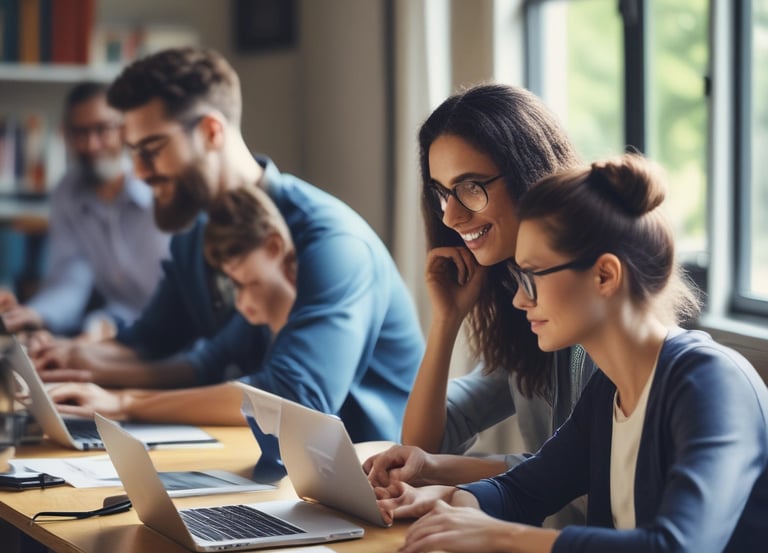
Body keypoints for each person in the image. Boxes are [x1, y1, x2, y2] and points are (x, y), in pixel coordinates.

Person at [35, 48, 424, 474]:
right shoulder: (197, 235)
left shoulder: (331, 241)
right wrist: (75, 359)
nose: (140, 173)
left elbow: (293, 399)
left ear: (211, 132)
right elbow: (156, 341)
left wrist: (126, 402)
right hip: (265, 462)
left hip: (371, 482)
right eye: (133, 153)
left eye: (151, 149)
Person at [376, 153, 768, 553]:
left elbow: (677, 547)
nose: (518, 301)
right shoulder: (608, 392)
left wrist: (495, 533)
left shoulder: (710, 383)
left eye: (531, 275)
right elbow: (522, 490)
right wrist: (445, 499)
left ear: (605, 275)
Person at [363, 84, 594, 523]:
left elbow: (577, 478)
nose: (450, 215)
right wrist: (446, 320)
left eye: (470, 187)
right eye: (441, 192)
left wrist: (439, 475)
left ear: (529, 175)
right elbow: (428, 441)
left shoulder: (592, 312)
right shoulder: (524, 306)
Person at [0, 82, 170, 339]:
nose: (91, 145)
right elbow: (71, 279)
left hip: (176, 333)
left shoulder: (160, 188)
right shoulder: (66, 193)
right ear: (65, 135)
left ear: (124, 130)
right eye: (80, 133)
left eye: (102, 129)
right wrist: (34, 315)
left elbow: (176, 298)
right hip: (117, 325)